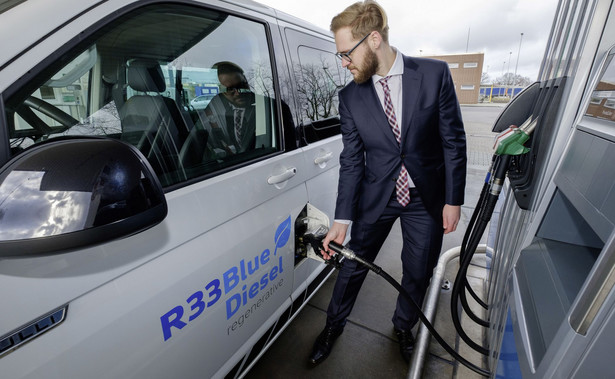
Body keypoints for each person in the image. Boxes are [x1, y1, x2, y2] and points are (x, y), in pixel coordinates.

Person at [309, 0, 466, 365]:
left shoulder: (433, 74)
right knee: (351, 267)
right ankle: (333, 326)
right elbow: (351, 160)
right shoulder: (349, 96)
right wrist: (341, 220)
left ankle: (403, 327)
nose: (344, 63)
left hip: (424, 198)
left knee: (417, 270)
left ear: (374, 39)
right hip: (376, 197)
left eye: (346, 53)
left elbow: (452, 141)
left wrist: (453, 199)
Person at [201, 61, 258, 156]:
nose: (238, 93)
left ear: (246, 82)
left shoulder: (269, 108)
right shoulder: (228, 113)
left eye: (241, 86)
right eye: (230, 89)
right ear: (221, 92)